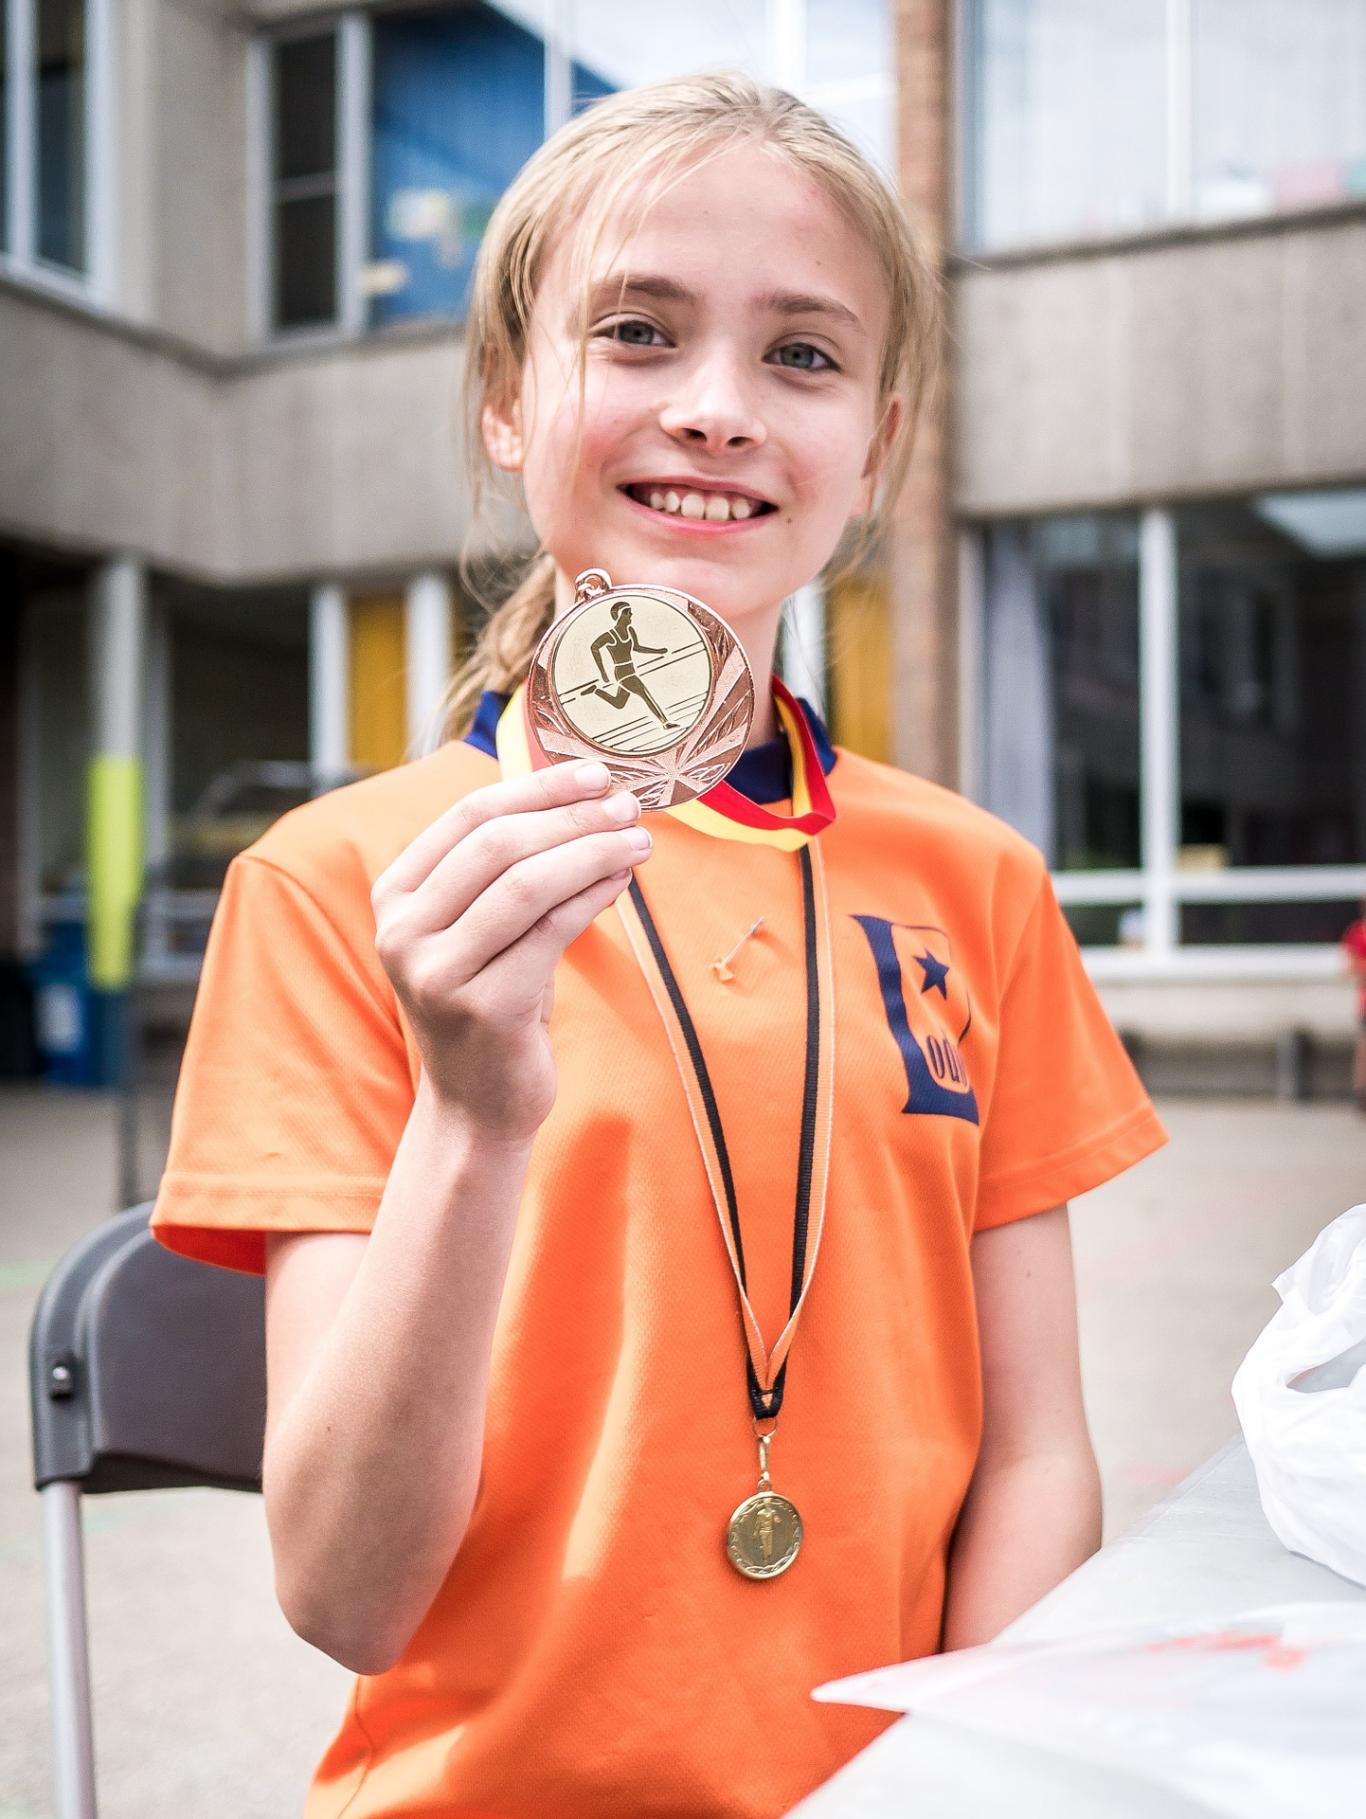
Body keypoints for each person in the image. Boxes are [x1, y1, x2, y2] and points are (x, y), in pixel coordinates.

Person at [151, 73, 1168, 1819]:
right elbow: (342, 1591)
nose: (714, 408)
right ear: (503, 399)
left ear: (874, 440)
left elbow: (1037, 1451)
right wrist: (472, 1113)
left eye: (802, 354)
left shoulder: (978, 879)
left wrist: (965, 1774)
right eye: (635, 331)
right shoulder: (337, 886)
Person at [1343, 901, 1366, 1112]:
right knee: (1363, 1048)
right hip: (1365, 1002)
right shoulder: (1356, 933)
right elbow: (1349, 968)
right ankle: (1361, 1094)